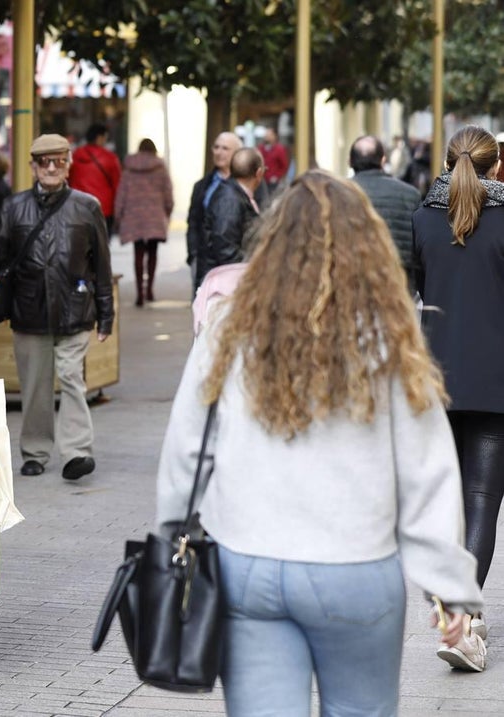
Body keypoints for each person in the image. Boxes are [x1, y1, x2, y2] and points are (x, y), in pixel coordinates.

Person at [157, 171, 484, 715]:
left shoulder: (228, 328)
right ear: (368, 246)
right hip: (356, 567)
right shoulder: (388, 337)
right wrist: (449, 588)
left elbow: (187, 449)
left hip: (248, 562)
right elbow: (426, 472)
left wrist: (171, 532)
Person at [414, 125, 504, 670]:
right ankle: (462, 624)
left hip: (437, 378)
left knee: (448, 507)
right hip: (496, 380)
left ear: (448, 165)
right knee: (481, 503)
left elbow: (417, 291)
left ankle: (458, 616)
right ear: (497, 167)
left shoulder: (423, 218)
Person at [0, 134, 113, 481]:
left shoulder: (87, 206)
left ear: (69, 163)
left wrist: (106, 314)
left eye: (59, 161)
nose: (52, 168)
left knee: (71, 378)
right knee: (36, 385)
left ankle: (76, 452)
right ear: (32, 166)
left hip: (75, 310)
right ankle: (36, 451)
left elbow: (101, 263)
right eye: (44, 162)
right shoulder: (14, 207)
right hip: (29, 310)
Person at [349, 135, 421, 294]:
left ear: (350, 162)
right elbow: (418, 249)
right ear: (383, 160)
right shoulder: (410, 195)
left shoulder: (338, 193)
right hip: (398, 286)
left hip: (353, 284)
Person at [114, 138, 174, 306]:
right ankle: (150, 290)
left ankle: (139, 292)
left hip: (134, 217)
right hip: (155, 215)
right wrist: (167, 211)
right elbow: (168, 193)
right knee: (153, 253)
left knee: (138, 253)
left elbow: (121, 193)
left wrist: (118, 216)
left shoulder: (128, 169)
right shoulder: (160, 168)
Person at [195, 147, 263, 291]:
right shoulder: (229, 199)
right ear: (259, 173)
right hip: (226, 285)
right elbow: (226, 249)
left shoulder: (234, 195)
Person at [186, 131, 242, 284]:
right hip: (204, 264)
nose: (219, 152)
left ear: (237, 153)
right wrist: (193, 255)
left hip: (235, 266)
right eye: (216, 147)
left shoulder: (248, 185)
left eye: (225, 148)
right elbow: (193, 222)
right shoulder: (202, 186)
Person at [68, 123, 122, 234]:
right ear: (100, 138)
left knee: (79, 244)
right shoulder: (110, 158)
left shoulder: (74, 155)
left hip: (78, 206)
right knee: (102, 245)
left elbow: (68, 179)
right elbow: (117, 185)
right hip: (104, 209)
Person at [257, 126, 289, 204]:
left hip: (273, 181)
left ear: (275, 136)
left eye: (269, 134)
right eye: (266, 134)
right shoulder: (260, 148)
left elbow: (284, 165)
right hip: (261, 179)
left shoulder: (279, 149)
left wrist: (277, 176)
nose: (267, 136)